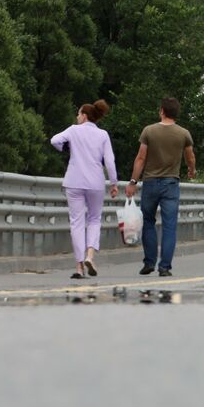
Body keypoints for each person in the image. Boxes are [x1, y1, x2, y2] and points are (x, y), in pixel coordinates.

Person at [126, 97, 195, 277]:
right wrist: (191, 170)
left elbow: (140, 158)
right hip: (171, 184)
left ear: (162, 111)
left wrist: (133, 182)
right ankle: (165, 267)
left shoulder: (149, 131)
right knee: (169, 226)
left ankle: (149, 262)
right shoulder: (184, 134)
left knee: (148, 221)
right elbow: (190, 157)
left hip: (150, 183)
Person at [51, 100, 118, 279]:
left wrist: (65, 147)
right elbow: (109, 161)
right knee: (94, 219)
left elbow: (54, 140)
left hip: (74, 181)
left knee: (76, 223)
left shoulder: (73, 130)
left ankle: (79, 267)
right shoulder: (103, 134)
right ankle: (90, 255)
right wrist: (113, 183)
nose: (77, 117)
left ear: (85, 116)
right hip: (95, 182)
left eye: (79, 114)